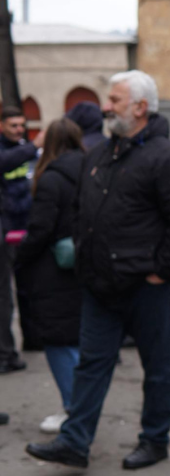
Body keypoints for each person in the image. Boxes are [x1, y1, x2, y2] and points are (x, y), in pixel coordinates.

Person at [25, 70, 170, 470]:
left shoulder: (166, 156)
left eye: (115, 100)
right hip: (100, 285)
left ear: (140, 108)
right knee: (91, 364)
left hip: (148, 286)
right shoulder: (102, 152)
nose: (106, 107)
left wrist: (160, 270)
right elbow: (81, 207)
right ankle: (74, 441)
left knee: (157, 368)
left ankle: (155, 440)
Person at [15, 118, 85, 433]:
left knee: (58, 342)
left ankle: (73, 409)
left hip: (53, 272)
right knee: (79, 340)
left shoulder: (51, 178)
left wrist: (22, 259)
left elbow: (40, 228)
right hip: (85, 264)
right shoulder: (90, 169)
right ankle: (81, 406)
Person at [0, 108, 43, 374]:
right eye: (13, 125)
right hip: (4, 232)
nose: (19, 130)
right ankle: (5, 354)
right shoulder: (19, 151)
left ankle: (33, 338)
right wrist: (34, 146)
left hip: (25, 230)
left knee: (30, 288)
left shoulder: (26, 148)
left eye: (22, 125)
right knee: (5, 297)